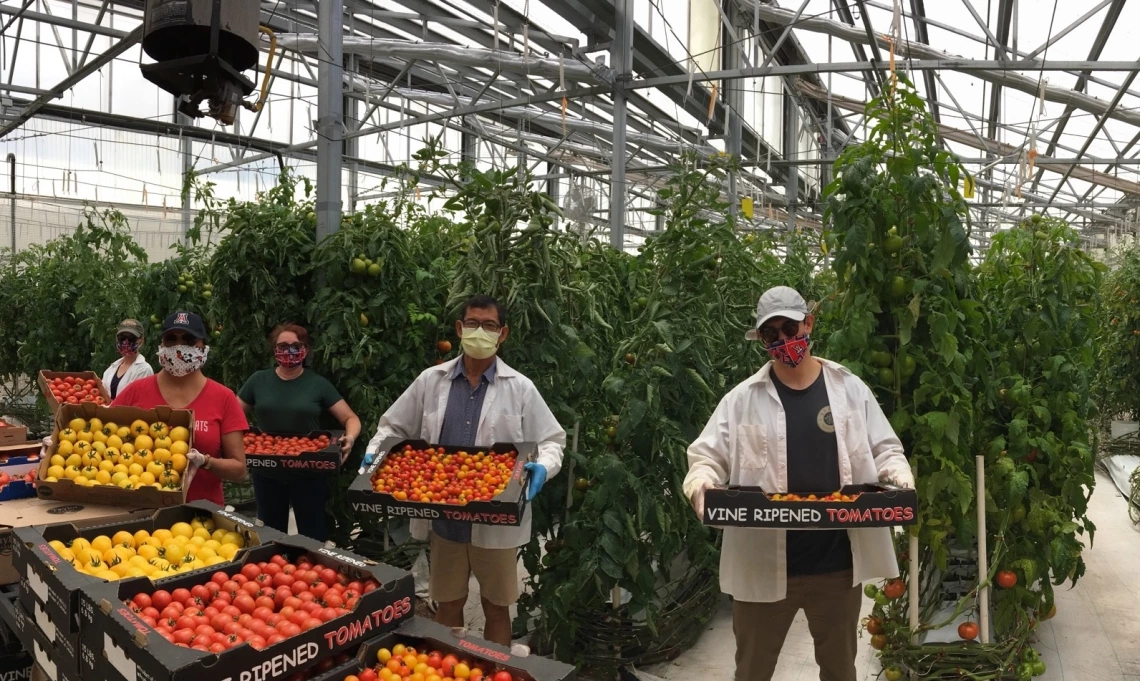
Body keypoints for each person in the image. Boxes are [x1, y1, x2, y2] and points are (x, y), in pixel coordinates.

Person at [684, 286, 915, 681]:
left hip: (836, 565)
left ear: (808, 324)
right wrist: (701, 485)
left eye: (790, 328)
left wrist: (898, 474)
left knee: (840, 670)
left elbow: (885, 448)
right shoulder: (741, 400)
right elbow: (706, 457)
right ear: (761, 340)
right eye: (771, 335)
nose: (784, 341)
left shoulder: (849, 389)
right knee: (752, 670)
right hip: (763, 565)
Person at [364, 295, 565, 646]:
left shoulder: (519, 388)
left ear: (502, 334)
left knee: (497, 606)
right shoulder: (431, 380)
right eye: (472, 324)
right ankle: (450, 666)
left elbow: (552, 440)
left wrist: (542, 468)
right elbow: (392, 427)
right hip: (444, 516)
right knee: (449, 601)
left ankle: (494, 668)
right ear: (459, 328)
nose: (479, 332)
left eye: (489, 326)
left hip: (495, 517)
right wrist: (375, 453)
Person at [238, 323, 362, 541]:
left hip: (309, 471)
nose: (289, 351)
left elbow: (350, 418)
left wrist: (349, 438)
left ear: (306, 349)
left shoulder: (317, 384)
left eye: (296, 345)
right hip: (267, 471)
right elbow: (234, 416)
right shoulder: (258, 380)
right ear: (274, 349)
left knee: (312, 535)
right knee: (270, 535)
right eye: (282, 346)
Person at [112, 311, 248, 505]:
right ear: (161, 345)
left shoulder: (223, 398)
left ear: (203, 346)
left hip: (201, 517)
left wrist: (206, 462)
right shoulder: (136, 391)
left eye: (189, 340)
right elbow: (102, 438)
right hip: (142, 513)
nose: (179, 346)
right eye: (170, 339)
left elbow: (239, 471)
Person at [102, 319, 154, 399]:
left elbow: (140, 402)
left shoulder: (144, 370)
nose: (125, 342)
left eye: (131, 338)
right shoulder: (111, 369)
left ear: (141, 340)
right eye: (122, 338)